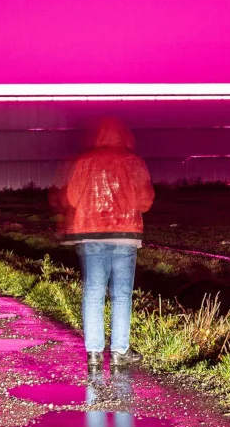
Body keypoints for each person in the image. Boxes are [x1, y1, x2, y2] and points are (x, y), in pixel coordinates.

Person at [51, 117, 154, 371]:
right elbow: (145, 202)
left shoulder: (85, 162)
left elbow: (73, 198)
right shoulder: (134, 162)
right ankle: (119, 351)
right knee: (121, 294)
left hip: (92, 234)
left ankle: (94, 354)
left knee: (93, 293)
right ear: (125, 136)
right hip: (124, 235)